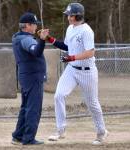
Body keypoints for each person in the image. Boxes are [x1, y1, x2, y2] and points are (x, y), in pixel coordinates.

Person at [47, 3, 109, 145]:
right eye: (68, 15)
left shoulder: (87, 31)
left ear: (78, 15)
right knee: (59, 95)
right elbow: (67, 46)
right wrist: (49, 39)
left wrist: (71, 57)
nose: (68, 17)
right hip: (72, 69)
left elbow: (90, 52)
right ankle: (60, 130)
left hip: (87, 71)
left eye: (70, 15)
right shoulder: (70, 28)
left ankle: (101, 132)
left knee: (92, 104)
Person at [11, 12, 49, 145]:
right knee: (33, 108)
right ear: (27, 25)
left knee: (26, 107)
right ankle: (28, 138)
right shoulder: (26, 39)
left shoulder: (18, 38)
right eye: (34, 24)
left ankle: (18, 136)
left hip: (26, 76)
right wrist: (42, 39)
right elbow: (36, 51)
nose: (36, 27)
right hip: (32, 77)